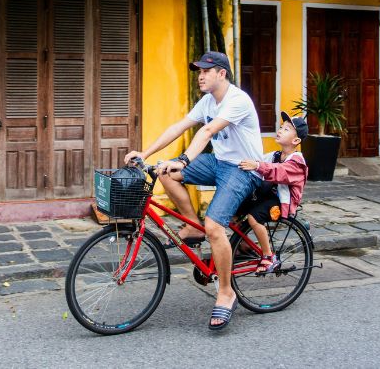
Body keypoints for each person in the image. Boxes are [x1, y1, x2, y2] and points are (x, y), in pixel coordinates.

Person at [124, 50, 264, 331]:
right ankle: (193, 226)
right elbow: (180, 127)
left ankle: (226, 292)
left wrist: (184, 160)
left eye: (205, 71)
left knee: (216, 227)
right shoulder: (208, 100)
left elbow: (207, 132)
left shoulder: (236, 100)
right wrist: (146, 152)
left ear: (221, 73)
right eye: (198, 71)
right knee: (165, 172)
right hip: (219, 163)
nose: (200, 76)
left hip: (244, 169)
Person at [237, 111, 309, 274]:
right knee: (233, 209)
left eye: (286, 129)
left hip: (281, 202)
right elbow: (259, 160)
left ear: (296, 140)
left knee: (254, 217)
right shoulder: (275, 155)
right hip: (266, 194)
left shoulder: (297, 161)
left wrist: (257, 165)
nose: (280, 130)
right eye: (281, 127)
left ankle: (268, 256)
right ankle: (244, 246)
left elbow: (279, 172)